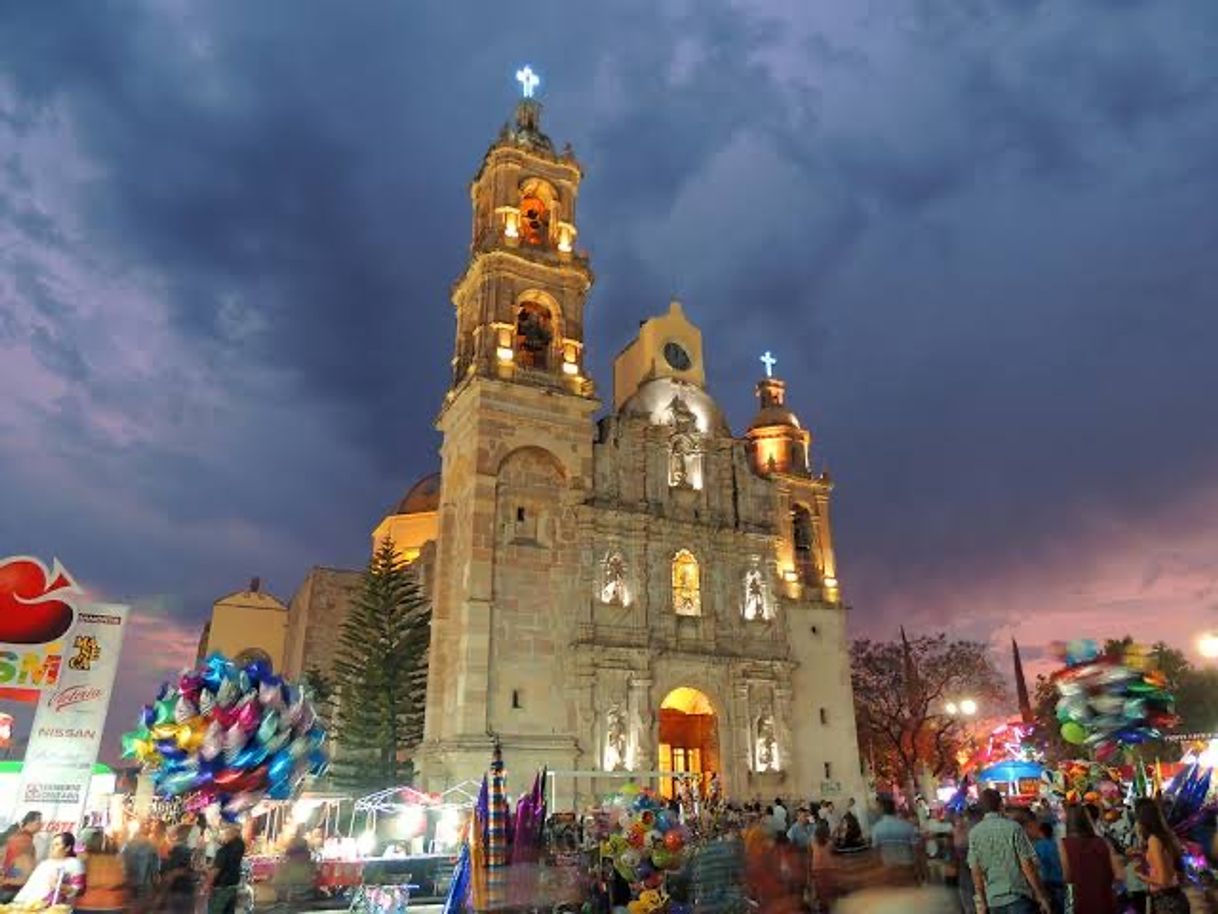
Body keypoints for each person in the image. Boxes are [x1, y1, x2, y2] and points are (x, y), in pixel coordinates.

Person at [967, 788, 1051, 914]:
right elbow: (1027, 865)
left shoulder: (974, 834)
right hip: (1018, 898)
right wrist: (1041, 896)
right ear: (1001, 805)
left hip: (993, 902)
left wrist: (982, 903)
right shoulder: (1014, 828)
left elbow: (976, 872)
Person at [1060, 803, 1118, 914]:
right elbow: (1119, 873)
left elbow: (1067, 877)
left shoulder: (1064, 844)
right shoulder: (1103, 842)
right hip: (1104, 897)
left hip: (1080, 899)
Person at [1134, 798, 1189, 914]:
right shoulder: (1167, 837)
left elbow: (1163, 880)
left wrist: (1141, 876)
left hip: (1166, 902)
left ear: (1143, 822)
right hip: (1176, 898)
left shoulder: (1154, 841)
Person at [14, 831, 85, 907]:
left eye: (57, 845)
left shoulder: (74, 864)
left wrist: (60, 886)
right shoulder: (45, 864)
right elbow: (29, 887)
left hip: (53, 908)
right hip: (30, 907)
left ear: (67, 848)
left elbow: (79, 890)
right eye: (52, 845)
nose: (52, 848)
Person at [870, 795, 924, 886]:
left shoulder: (876, 829)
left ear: (882, 809)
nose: (875, 810)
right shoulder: (907, 826)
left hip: (888, 872)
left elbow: (876, 855)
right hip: (908, 870)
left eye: (877, 807)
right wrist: (920, 875)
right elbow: (917, 852)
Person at [76, 831, 130, 914]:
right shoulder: (118, 861)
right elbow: (123, 880)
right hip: (113, 904)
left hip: (86, 904)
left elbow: (77, 883)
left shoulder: (84, 859)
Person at [1, 811, 43, 901]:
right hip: (13, 887)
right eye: (38, 822)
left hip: (11, 885)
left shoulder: (21, 837)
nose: (40, 825)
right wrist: (15, 877)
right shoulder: (23, 840)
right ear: (29, 823)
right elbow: (18, 865)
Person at [205, 824, 245, 914]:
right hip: (233, 885)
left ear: (229, 835)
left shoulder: (223, 851)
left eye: (223, 833)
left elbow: (216, 871)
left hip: (221, 887)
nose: (222, 836)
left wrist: (207, 885)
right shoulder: (239, 848)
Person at [160, 824, 197, 914]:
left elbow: (175, 872)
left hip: (178, 891)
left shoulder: (180, 849)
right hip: (186, 890)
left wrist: (162, 894)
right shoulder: (186, 849)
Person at [1030, 822, 1064, 914]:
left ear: (1041, 832)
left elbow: (1035, 864)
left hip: (1046, 881)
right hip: (1060, 880)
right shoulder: (1057, 845)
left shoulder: (1037, 846)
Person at [122, 821, 160, 903]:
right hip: (146, 885)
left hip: (129, 883)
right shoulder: (152, 846)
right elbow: (155, 868)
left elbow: (122, 864)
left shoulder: (127, 845)